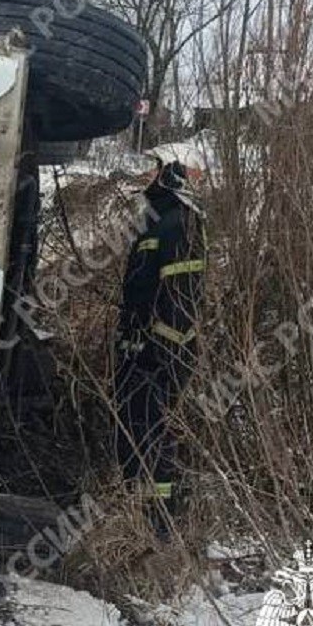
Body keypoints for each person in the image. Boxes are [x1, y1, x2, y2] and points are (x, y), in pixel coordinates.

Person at [114, 156, 207, 522]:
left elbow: (182, 297)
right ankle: (135, 512)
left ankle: (159, 522)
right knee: (135, 430)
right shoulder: (155, 223)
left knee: (155, 432)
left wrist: (162, 349)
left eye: (153, 170)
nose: (145, 177)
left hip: (159, 355)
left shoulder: (181, 224)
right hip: (137, 350)